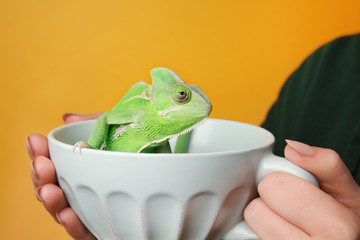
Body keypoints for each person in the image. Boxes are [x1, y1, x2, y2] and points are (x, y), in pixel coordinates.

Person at [27, 34, 360, 239]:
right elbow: (106, 121)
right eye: (183, 96)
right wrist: (94, 153)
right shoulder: (327, 70)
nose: (196, 103)